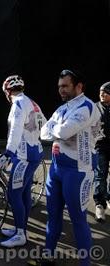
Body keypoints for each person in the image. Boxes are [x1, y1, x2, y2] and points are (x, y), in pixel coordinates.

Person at [39, 69, 101, 265]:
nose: (61, 90)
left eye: (65, 86)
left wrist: (57, 129)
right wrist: (59, 130)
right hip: (57, 170)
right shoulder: (62, 108)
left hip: (78, 171)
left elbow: (63, 132)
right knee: (53, 216)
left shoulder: (87, 107)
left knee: (78, 220)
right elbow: (43, 132)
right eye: (59, 87)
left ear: (79, 86)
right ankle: (48, 256)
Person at [0, 75, 46, 248]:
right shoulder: (32, 102)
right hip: (34, 152)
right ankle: (21, 229)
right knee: (24, 193)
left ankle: (20, 235)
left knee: (13, 193)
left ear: (7, 91)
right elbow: (45, 126)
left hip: (23, 156)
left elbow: (15, 130)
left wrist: (8, 153)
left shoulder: (17, 103)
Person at [93, 81, 110, 222]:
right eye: (101, 91)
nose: (102, 94)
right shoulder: (94, 108)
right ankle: (100, 204)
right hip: (100, 147)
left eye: (106, 91)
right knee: (100, 175)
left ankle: (109, 198)